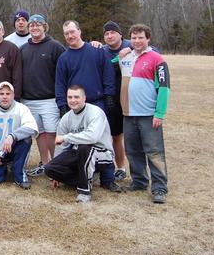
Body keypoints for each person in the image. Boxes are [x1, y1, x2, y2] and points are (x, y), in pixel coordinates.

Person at [118, 24, 171, 204]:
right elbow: (112, 60)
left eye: (141, 37)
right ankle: (139, 181)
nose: (137, 41)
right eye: (133, 37)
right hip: (128, 113)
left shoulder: (157, 59)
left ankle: (159, 187)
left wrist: (160, 113)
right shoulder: (126, 56)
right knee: (132, 151)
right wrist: (119, 54)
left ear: (148, 39)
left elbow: (164, 88)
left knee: (154, 152)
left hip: (148, 114)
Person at [44, 85, 120, 203]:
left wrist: (66, 137)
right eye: (70, 97)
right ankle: (85, 177)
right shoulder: (66, 118)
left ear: (84, 98)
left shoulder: (95, 112)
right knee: (49, 169)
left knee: (84, 148)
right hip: (79, 153)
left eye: (76, 97)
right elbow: (61, 147)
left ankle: (84, 192)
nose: (73, 100)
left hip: (102, 154)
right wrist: (56, 174)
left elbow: (92, 137)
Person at [20, 14, 65, 177]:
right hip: (29, 100)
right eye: (32, 25)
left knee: (52, 132)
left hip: (49, 99)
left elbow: (63, 72)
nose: (34, 27)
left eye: (38, 24)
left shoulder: (55, 46)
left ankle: (57, 165)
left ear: (44, 26)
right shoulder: (24, 49)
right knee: (39, 133)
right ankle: (45, 164)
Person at [55, 20, 116, 116]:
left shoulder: (97, 51)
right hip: (75, 106)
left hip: (98, 103)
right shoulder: (63, 59)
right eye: (66, 34)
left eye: (72, 32)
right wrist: (62, 105)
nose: (70, 36)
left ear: (79, 31)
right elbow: (60, 84)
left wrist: (109, 95)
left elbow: (108, 75)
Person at [100, 20, 132, 181]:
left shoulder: (131, 45)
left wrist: (131, 48)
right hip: (111, 98)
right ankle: (118, 167)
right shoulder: (103, 51)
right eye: (106, 33)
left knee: (133, 136)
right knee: (115, 135)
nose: (110, 36)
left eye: (113, 32)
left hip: (131, 97)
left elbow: (151, 49)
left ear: (120, 34)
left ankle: (129, 168)